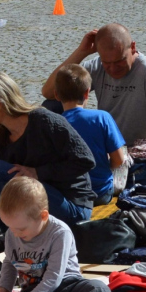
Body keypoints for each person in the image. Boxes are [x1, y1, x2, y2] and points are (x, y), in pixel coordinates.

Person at [0, 71, 96, 251]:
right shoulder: (0, 135)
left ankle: (22, 240)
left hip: (71, 205)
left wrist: (37, 173)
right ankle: (17, 234)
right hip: (36, 199)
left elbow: (86, 160)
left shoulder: (44, 120)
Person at [41, 23, 146, 146]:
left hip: (138, 149)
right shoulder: (97, 66)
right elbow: (49, 91)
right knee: (51, 106)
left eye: (119, 61)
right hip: (106, 145)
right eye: (107, 62)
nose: (113, 68)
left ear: (133, 47)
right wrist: (81, 52)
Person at [54, 64, 128, 206]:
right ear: (87, 93)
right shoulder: (102, 118)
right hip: (101, 193)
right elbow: (118, 159)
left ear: (56, 95)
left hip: (70, 195)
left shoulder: (54, 123)